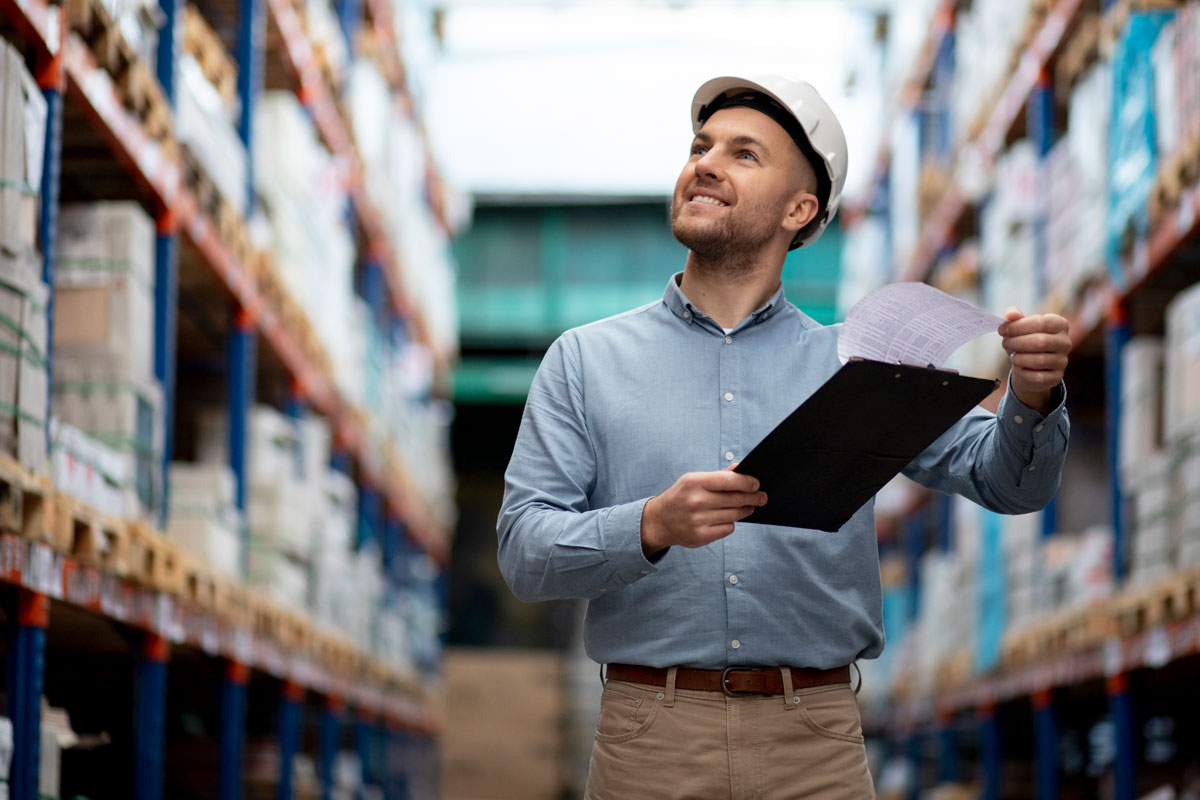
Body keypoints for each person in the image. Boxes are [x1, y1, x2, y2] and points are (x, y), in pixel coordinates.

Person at [497, 75, 1071, 799]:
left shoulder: (860, 369)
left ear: (800, 210)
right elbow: (524, 552)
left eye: (743, 154)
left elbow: (1010, 484)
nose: (704, 163)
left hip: (817, 746)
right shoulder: (585, 361)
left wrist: (1033, 395)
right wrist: (649, 525)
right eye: (700, 147)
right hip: (651, 743)